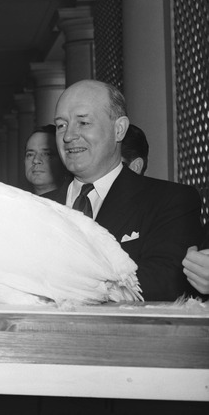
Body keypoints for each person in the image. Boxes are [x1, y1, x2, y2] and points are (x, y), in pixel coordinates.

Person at [44, 79, 203, 300]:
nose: (69, 136)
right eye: (61, 125)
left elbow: (165, 281)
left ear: (119, 130)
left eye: (83, 123)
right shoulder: (36, 207)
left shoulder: (170, 201)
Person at [24, 125, 69, 195]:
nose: (36, 160)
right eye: (30, 154)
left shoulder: (74, 204)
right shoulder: (15, 202)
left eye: (47, 154)